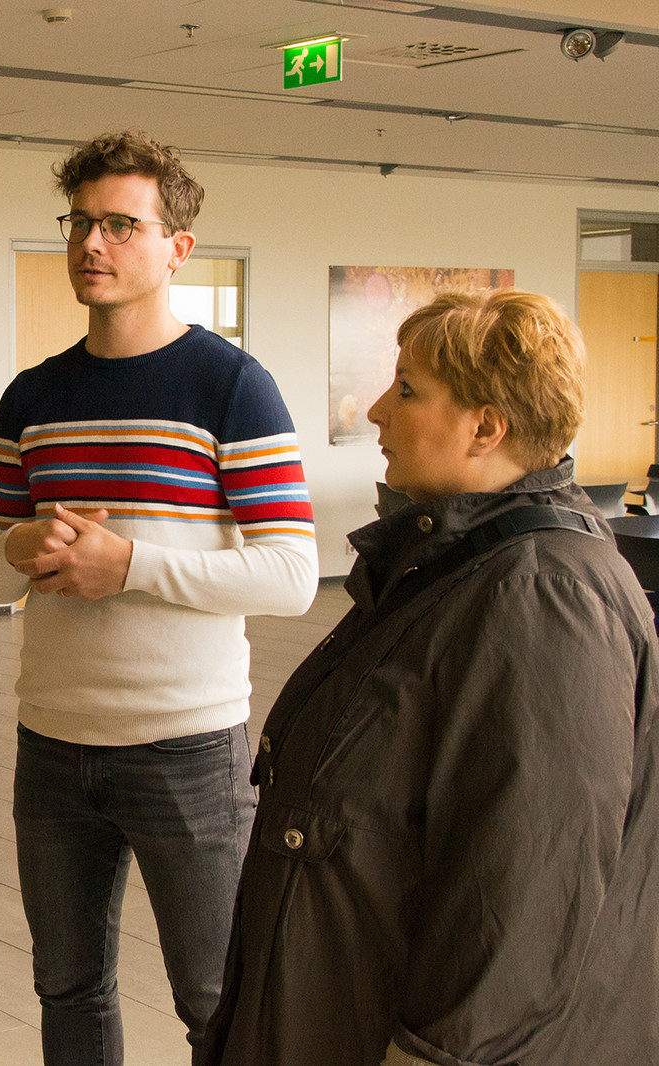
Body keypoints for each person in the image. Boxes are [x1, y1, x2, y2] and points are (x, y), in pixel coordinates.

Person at [205, 289, 659, 1065]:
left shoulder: (543, 595)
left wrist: (433, 1057)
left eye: (408, 390)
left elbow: (526, 887)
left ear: (486, 427)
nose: (377, 410)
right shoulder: (455, 567)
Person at [0, 130, 317, 1066]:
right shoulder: (32, 397)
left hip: (186, 746)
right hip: (52, 744)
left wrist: (132, 567)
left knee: (216, 998)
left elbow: (292, 573)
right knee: (68, 987)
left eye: (121, 224)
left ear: (176, 248)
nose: (93, 242)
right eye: (81, 222)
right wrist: (21, 546)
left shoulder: (231, 386)